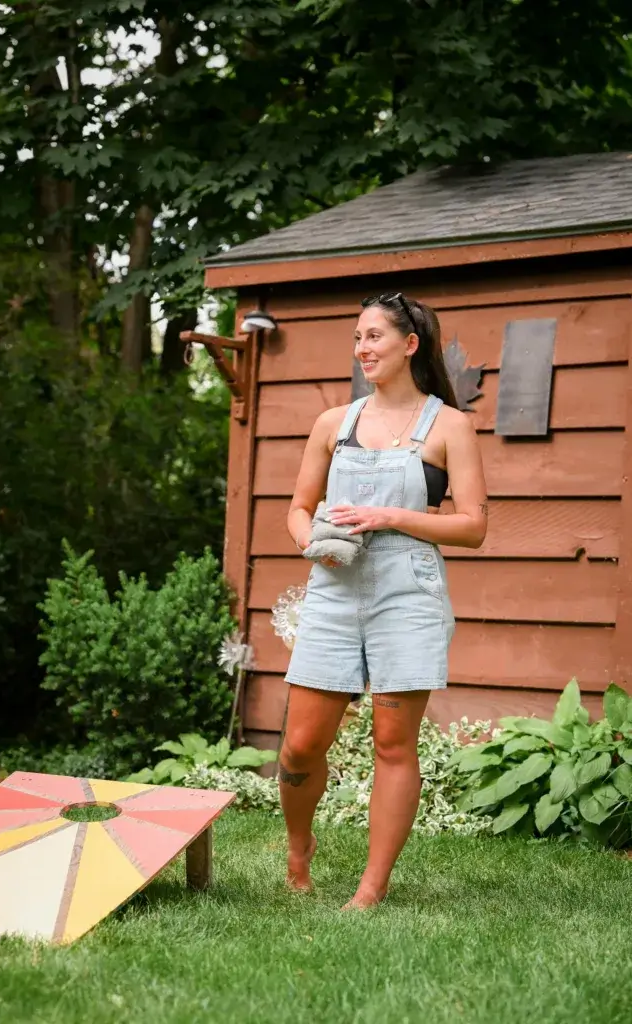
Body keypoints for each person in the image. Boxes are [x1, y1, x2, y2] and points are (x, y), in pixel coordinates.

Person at [280, 292, 488, 910]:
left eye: (374, 337)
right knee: (299, 746)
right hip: (334, 589)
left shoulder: (450, 426)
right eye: (357, 338)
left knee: (394, 745)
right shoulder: (333, 424)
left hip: (408, 592)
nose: (363, 349)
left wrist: (391, 515)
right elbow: (297, 508)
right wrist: (308, 541)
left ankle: (371, 889)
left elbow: (473, 525)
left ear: (410, 345)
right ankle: (299, 846)